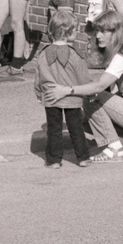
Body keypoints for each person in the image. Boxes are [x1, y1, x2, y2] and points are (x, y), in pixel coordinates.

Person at [47, 10, 123, 163]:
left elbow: (99, 86)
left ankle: (115, 148)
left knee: (90, 97)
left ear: (115, 33)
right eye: (97, 31)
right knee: (84, 122)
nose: (98, 36)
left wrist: (67, 90)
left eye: (103, 31)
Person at [33, 10, 93, 168]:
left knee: (54, 130)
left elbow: (38, 77)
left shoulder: (43, 54)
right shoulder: (75, 55)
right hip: (72, 99)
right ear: (70, 32)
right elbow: (83, 78)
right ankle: (83, 158)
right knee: (76, 128)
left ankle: (54, 160)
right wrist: (89, 94)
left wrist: (39, 94)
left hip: (51, 97)